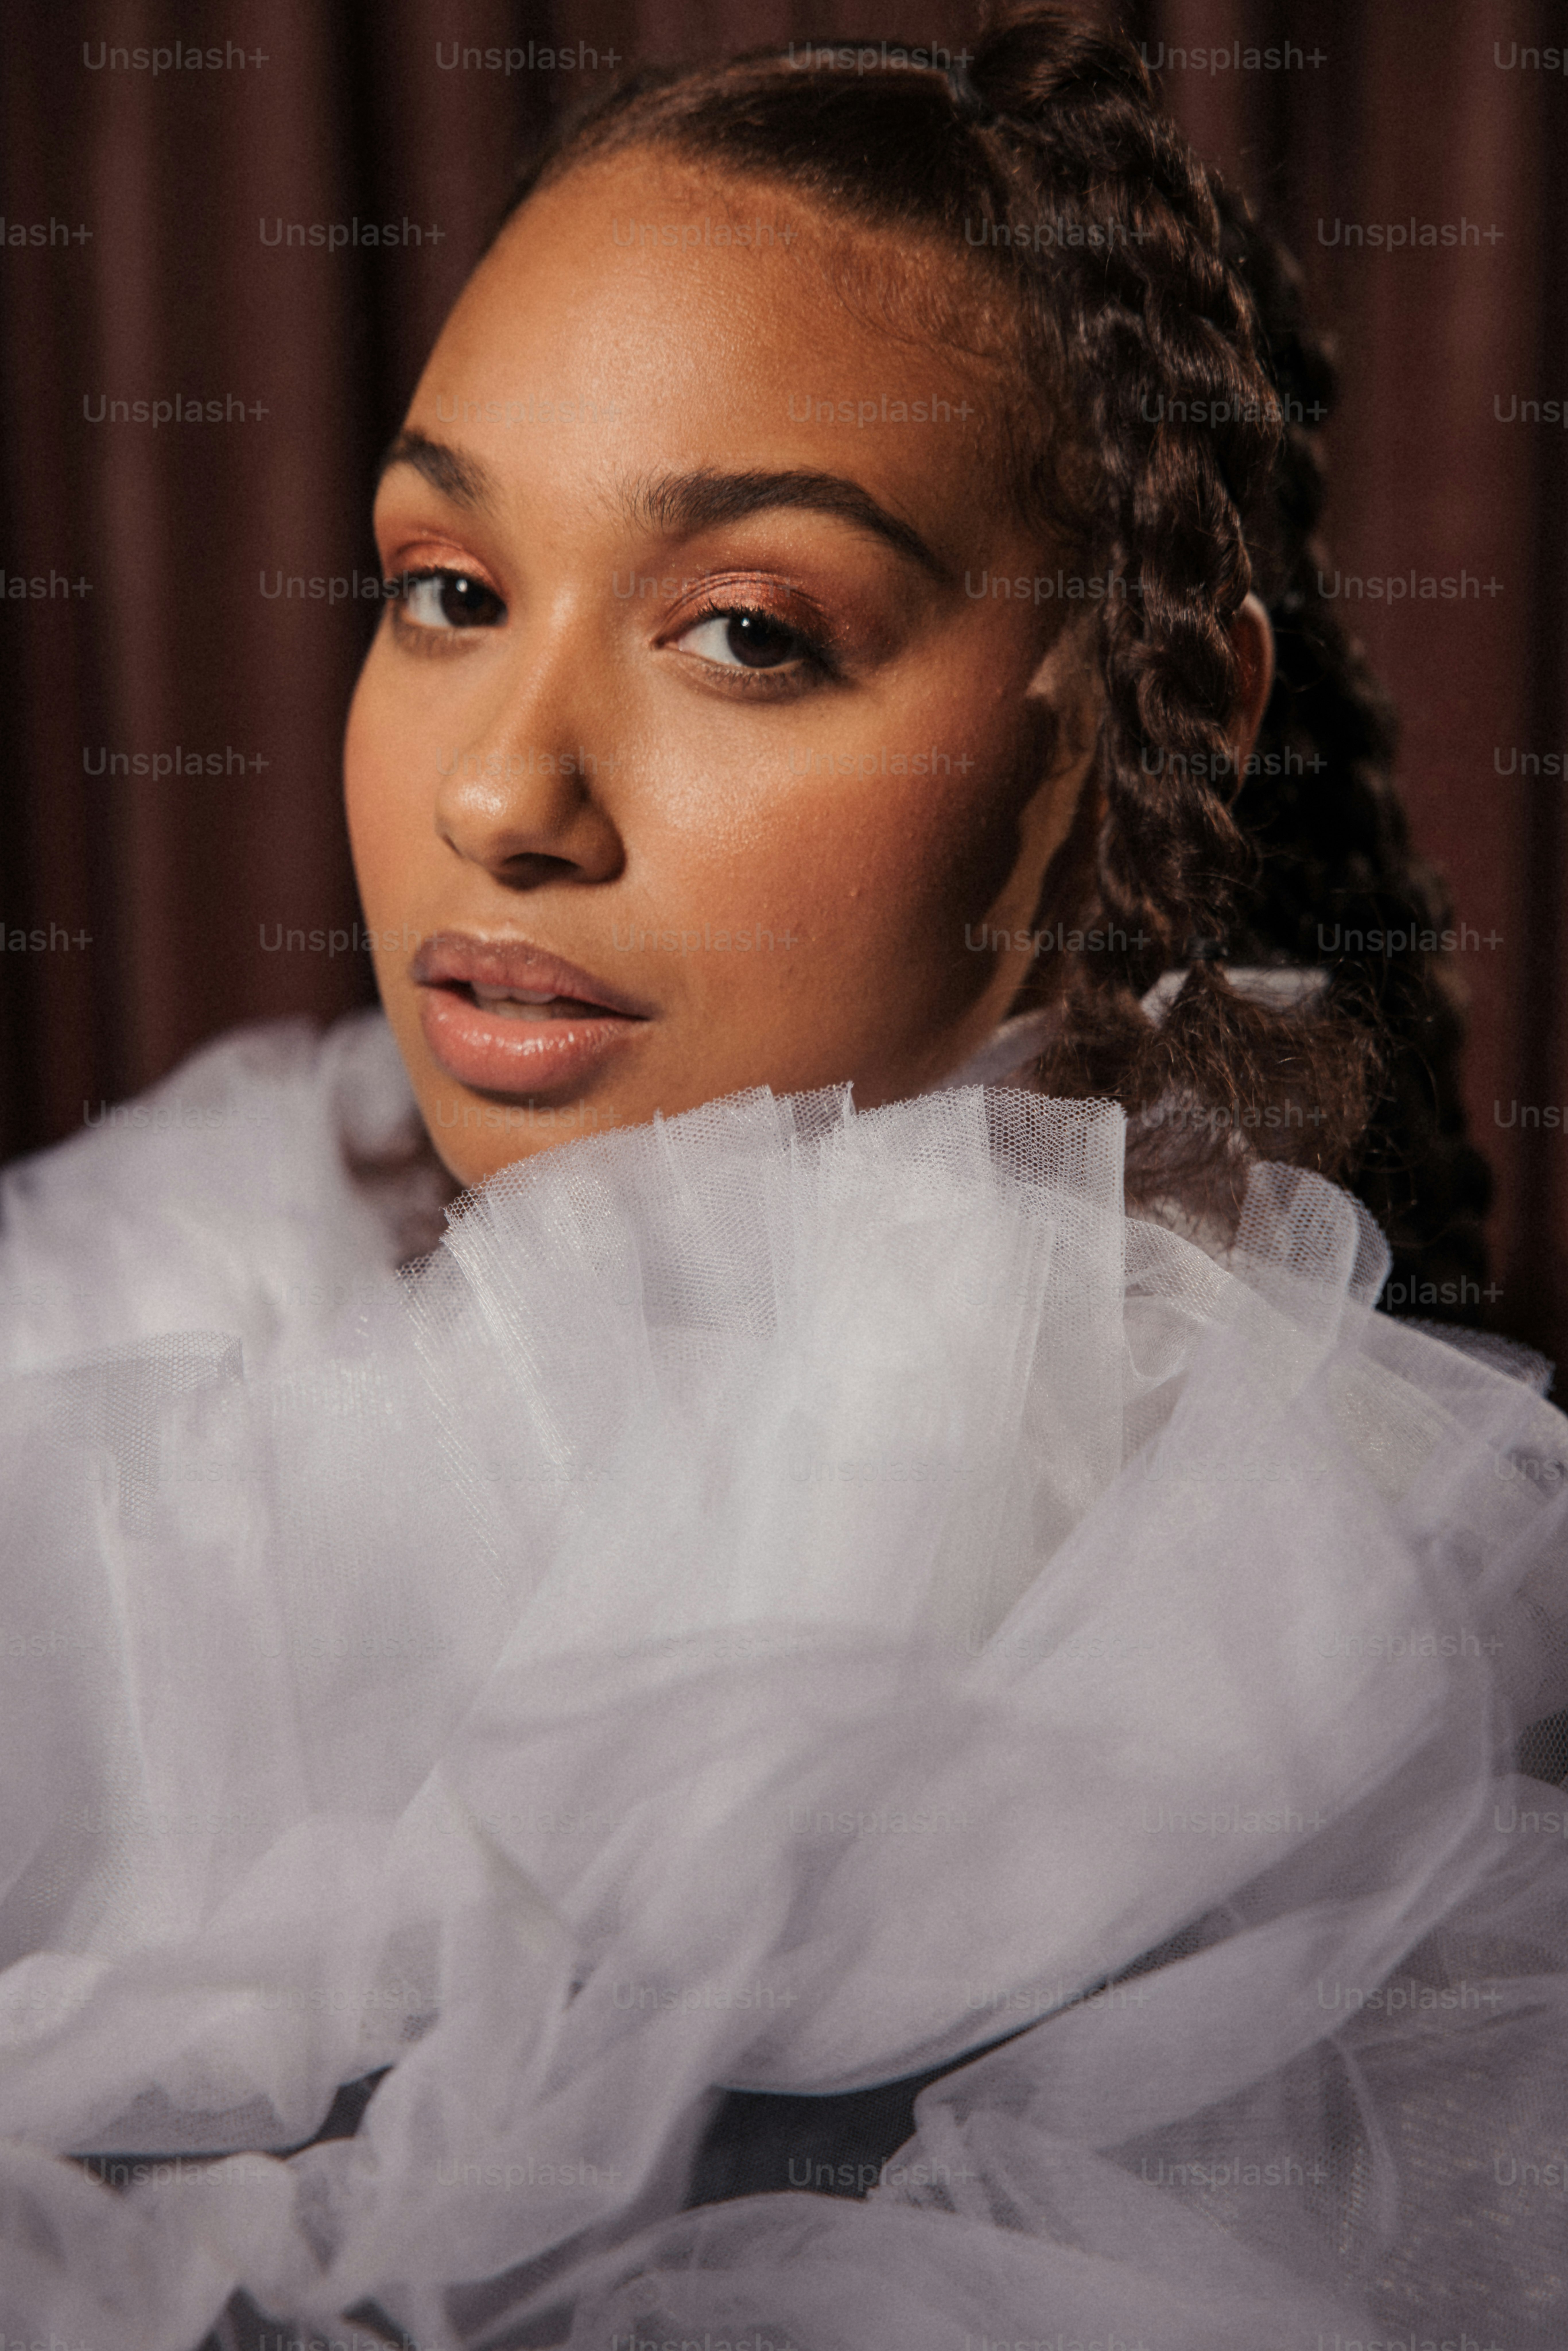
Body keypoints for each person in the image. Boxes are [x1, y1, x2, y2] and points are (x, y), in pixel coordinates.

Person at [0, 10, 1561, 2347]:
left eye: (748, 631)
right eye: (444, 588)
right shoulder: (177, 1314)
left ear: (1161, 709)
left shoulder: (1244, 1661)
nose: (498, 798)